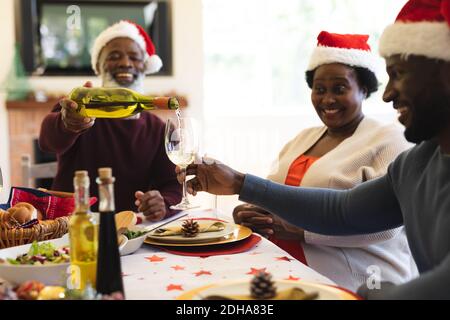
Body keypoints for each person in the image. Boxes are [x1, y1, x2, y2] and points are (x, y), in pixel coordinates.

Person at [177, 0, 450, 299]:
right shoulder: (418, 163)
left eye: (398, 73)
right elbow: (343, 211)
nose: (388, 94)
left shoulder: (393, 144)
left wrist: (376, 294)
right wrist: (240, 183)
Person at [232, 31, 417, 291]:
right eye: (319, 90)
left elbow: (387, 226)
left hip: (362, 280)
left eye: (339, 89)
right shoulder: (301, 139)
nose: (327, 99)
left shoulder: (389, 139)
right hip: (285, 271)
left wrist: (302, 232)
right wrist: (247, 213)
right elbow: (274, 195)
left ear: (364, 89)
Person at [39, 20, 182, 221]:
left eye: (134, 57)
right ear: (99, 65)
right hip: (70, 227)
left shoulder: (159, 129)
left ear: (145, 66)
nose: (125, 63)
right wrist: (67, 124)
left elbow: (173, 185)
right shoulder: (78, 110)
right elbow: (47, 141)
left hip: (131, 231)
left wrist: (163, 203)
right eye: (114, 56)